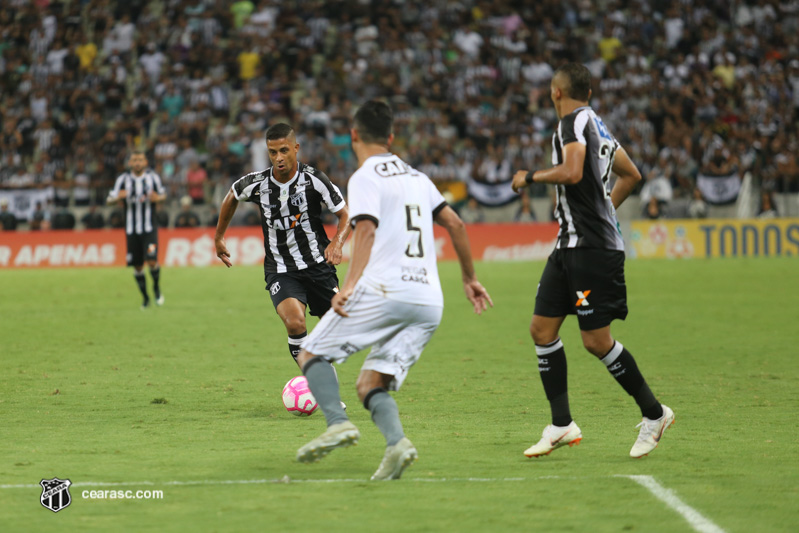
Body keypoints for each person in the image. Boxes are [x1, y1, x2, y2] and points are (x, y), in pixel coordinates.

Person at [293, 100, 493, 480]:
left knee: (311, 353)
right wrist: (469, 279)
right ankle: (397, 443)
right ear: (390, 137)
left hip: (386, 289)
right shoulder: (419, 178)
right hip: (429, 302)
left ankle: (336, 423)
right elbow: (457, 226)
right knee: (371, 382)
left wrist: (348, 285)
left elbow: (365, 228)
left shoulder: (366, 176)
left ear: (353, 135)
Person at [511, 63, 674, 459]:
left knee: (596, 340)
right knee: (541, 329)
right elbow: (631, 174)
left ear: (555, 93)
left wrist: (529, 178)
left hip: (591, 249)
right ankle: (562, 424)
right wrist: (607, 212)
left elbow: (571, 171)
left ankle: (655, 414)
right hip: (570, 244)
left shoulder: (571, 124)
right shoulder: (597, 125)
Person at [215, 123, 352, 371]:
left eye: (284, 150)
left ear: (296, 148)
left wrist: (337, 243)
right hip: (281, 268)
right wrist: (219, 237)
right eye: (273, 152)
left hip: (318, 266)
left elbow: (345, 215)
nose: (278, 158)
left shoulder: (314, 179)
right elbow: (232, 195)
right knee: (295, 323)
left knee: (335, 335)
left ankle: (320, 364)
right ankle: (320, 383)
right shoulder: (258, 183)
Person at [107, 151, 167, 309]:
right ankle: (145, 298)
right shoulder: (123, 179)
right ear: (130, 163)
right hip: (131, 231)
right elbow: (109, 200)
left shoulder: (152, 177)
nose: (137, 162)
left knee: (152, 260)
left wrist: (158, 198)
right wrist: (117, 198)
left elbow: (163, 195)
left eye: (140, 159)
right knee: (138, 266)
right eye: (134, 160)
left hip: (149, 230)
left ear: (145, 162)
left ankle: (156, 289)